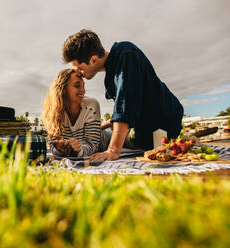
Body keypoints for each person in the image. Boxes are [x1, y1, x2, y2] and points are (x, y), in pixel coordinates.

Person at [62, 29, 184, 161]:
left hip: (160, 128)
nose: (80, 73)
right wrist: (102, 125)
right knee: (97, 132)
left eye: (79, 68)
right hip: (143, 127)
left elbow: (125, 106)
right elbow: (125, 109)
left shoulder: (126, 53)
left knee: (99, 138)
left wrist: (113, 151)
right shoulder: (111, 73)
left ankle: (182, 143)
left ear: (93, 59)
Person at [42, 68, 110, 157]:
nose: (83, 90)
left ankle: (112, 122)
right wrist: (61, 149)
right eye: (77, 86)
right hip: (91, 135)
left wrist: (78, 151)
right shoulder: (53, 111)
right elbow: (53, 144)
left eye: (83, 86)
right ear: (63, 89)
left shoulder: (91, 105)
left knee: (129, 136)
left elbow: (93, 145)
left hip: (106, 139)